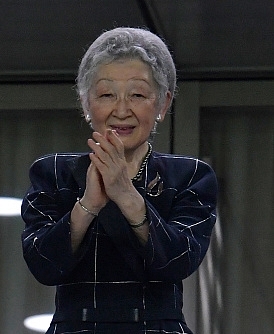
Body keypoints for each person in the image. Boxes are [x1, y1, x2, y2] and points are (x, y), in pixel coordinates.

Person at [21, 27, 217, 333]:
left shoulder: (190, 175)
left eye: (137, 94)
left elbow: (179, 262)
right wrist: (87, 205)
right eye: (107, 94)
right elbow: (43, 265)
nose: (122, 110)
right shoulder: (53, 172)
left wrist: (127, 196)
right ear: (86, 104)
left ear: (163, 104)